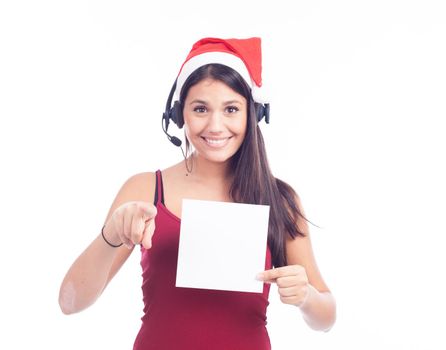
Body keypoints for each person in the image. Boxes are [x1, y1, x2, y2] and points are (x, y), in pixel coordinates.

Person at [58, 37, 336, 349]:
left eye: (231, 109)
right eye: (200, 108)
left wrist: (307, 297)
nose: (216, 125)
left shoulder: (279, 199)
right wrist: (110, 235)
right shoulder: (146, 189)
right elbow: (70, 302)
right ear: (179, 116)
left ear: (253, 113)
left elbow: (325, 319)